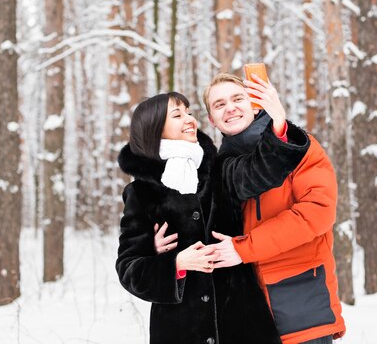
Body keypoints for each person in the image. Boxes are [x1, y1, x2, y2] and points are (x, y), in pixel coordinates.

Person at [116, 91, 310, 344]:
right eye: (177, 115)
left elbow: (264, 172)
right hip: (180, 330)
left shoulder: (219, 169)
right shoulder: (140, 193)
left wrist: (279, 123)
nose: (189, 119)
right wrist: (175, 263)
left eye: (188, 112)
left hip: (242, 322)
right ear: (155, 129)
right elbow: (129, 269)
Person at [204, 73, 346, 344]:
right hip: (248, 317)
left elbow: (316, 214)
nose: (230, 107)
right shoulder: (217, 168)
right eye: (219, 104)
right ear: (212, 119)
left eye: (237, 99)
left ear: (255, 104)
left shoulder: (297, 146)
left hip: (301, 304)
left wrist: (243, 248)